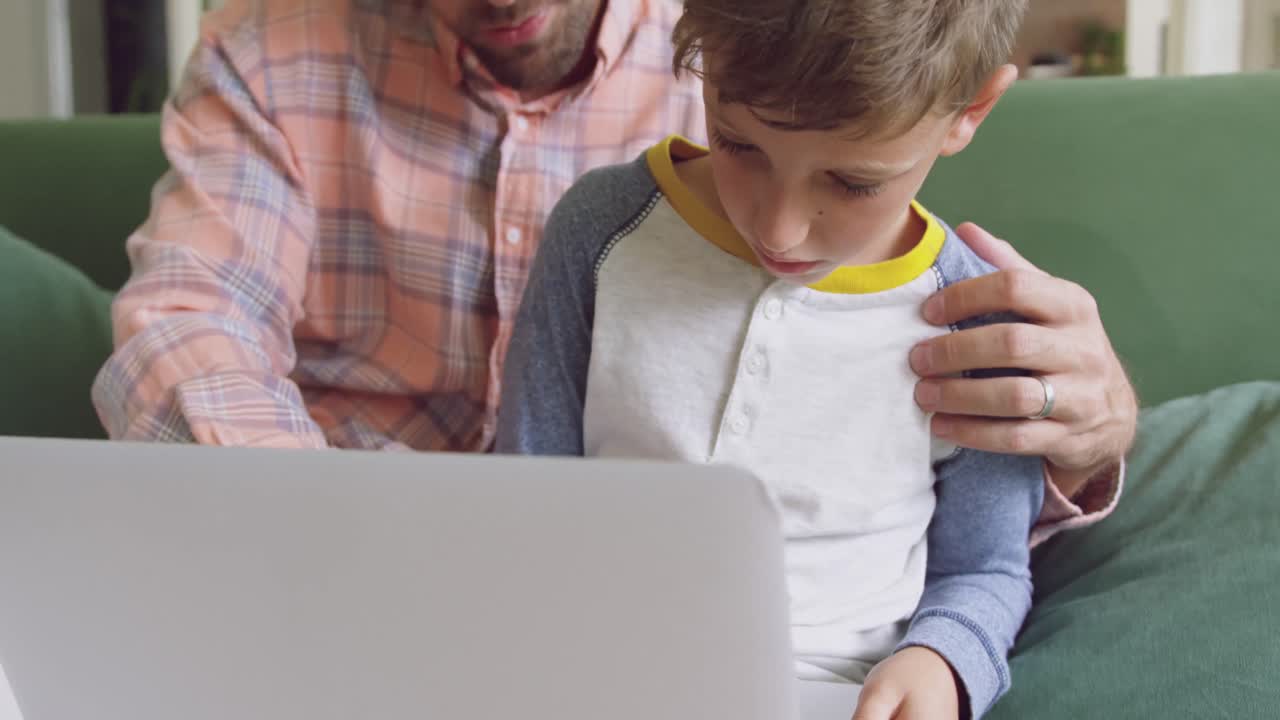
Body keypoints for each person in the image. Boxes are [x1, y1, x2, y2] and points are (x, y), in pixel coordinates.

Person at [92, 2, 1130, 537]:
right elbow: (187, 323)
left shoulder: (751, 59)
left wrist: (1072, 443)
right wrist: (334, 531)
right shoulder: (269, 49)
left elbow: (881, 462)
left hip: (646, 576)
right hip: (332, 526)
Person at [494, 0, 1082, 717]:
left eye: (852, 183)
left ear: (972, 110)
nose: (779, 228)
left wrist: (943, 660)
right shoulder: (599, 233)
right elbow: (526, 500)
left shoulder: (979, 328)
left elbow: (985, 568)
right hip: (600, 678)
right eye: (740, 145)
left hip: (836, 695)